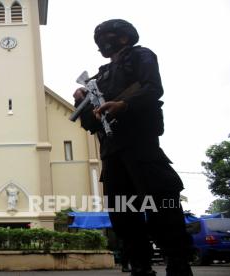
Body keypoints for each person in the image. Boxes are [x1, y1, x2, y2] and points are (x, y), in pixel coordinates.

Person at [73, 19, 193, 276]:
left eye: (107, 36)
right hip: (112, 154)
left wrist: (123, 105)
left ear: (124, 38)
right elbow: (90, 124)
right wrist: (81, 102)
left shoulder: (141, 56)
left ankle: (178, 265)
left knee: (164, 206)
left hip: (141, 145)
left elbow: (152, 89)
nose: (102, 43)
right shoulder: (99, 77)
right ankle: (140, 266)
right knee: (123, 216)